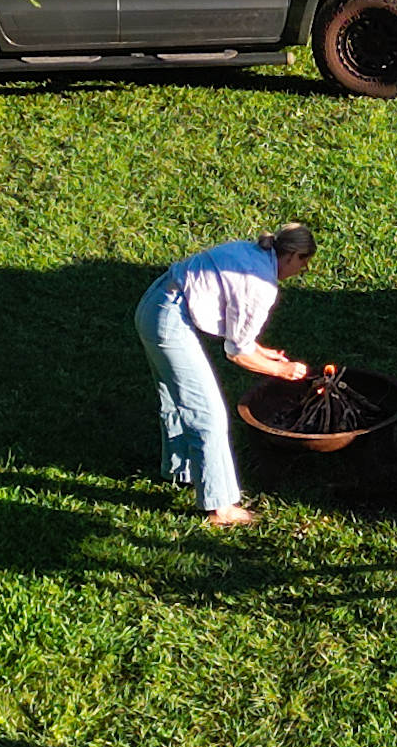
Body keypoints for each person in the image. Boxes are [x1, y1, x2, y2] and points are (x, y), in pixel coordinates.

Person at [135, 224, 317, 529]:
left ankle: (181, 470)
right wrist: (282, 370)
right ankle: (220, 508)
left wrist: (262, 352)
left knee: (176, 398)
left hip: (154, 303)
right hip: (169, 321)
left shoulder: (251, 251)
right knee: (208, 415)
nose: (303, 270)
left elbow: (239, 337)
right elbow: (236, 354)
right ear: (292, 256)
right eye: (304, 262)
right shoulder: (262, 284)